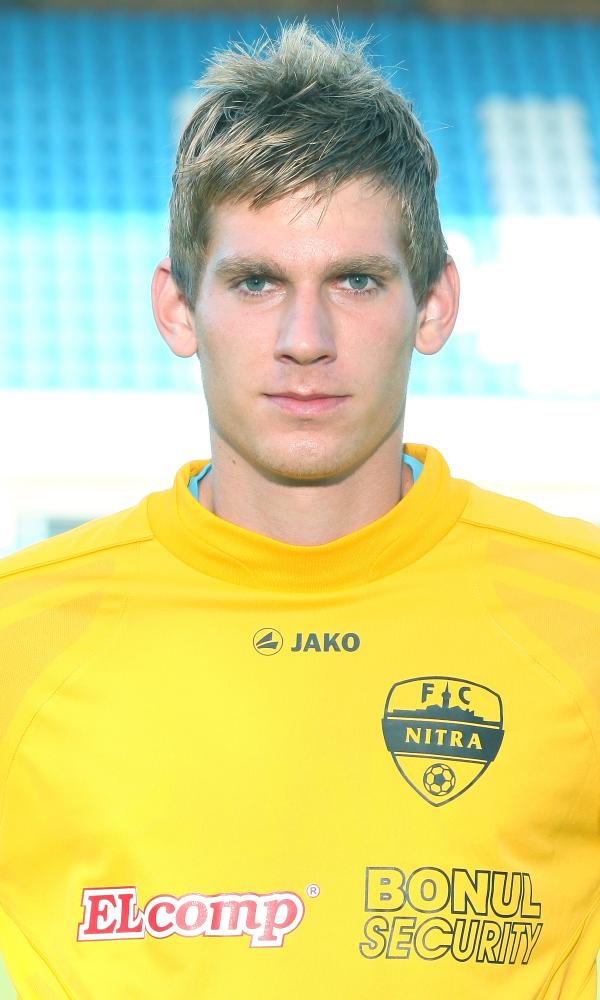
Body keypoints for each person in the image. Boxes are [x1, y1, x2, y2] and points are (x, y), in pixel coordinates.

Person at [0, 19, 598, 1000]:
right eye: (256, 281)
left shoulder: (583, 614)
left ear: (435, 304)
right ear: (178, 309)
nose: (306, 337)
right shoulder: (19, 636)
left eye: (356, 280)